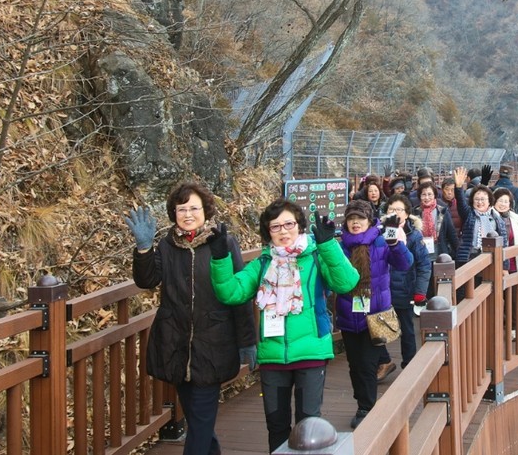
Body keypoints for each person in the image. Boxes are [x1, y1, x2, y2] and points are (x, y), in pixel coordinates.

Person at [208, 199, 359, 452]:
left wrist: (327, 245)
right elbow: (231, 293)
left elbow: (346, 282)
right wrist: (220, 258)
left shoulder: (315, 257)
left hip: (311, 352)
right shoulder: (263, 263)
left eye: (289, 224)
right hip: (273, 357)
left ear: (299, 226)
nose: (283, 231)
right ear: (268, 232)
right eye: (275, 226)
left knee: (308, 424)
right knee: (276, 425)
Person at [127, 181, 256, 455]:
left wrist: (247, 341)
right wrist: (143, 249)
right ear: (173, 213)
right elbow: (147, 279)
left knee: (199, 422)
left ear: (205, 210)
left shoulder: (222, 242)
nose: (187, 214)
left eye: (193, 208)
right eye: (181, 209)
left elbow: (240, 293)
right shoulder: (167, 245)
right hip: (176, 344)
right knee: (199, 420)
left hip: (213, 345)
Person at [335, 199, 412, 429]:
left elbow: (405, 263)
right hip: (349, 314)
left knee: (368, 364)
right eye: (351, 218)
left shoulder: (380, 241)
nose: (355, 222)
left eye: (360, 218)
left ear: (370, 220)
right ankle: (361, 400)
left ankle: (366, 407)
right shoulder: (340, 246)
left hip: (375, 316)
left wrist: (395, 243)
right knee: (354, 364)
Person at [376, 194, 431, 378]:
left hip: (405, 288)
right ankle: (384, 361)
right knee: (376, 326)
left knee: (407, 329)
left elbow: (424, 264)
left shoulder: (414, 235)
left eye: (399, 210)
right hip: (382, 288)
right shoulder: (379, 232)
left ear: (407, 214)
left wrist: (420, 291)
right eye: (391, 209)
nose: (395, 213)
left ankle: (410, 366)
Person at [452, 168, 509, 270]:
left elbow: (504, 242)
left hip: (490, 258)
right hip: (469, 257)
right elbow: (460, 202)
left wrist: (504, 267)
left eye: (483, 199)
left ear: (489, 201)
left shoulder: (496, 218)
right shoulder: (469, 214)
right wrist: (459, 187)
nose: (480, 202)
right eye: (476, 199)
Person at [492, 188, 518, 273]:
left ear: (510, 204)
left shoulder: (513, 219)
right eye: (500, 201)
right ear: (494, 201)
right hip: (497, 264)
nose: (503, 204)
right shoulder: (490, 218)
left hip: (513, 262)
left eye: (506, 202)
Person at [495, 164, 518, 239]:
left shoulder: (491, 191)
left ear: (498, 175)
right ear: (511, 176)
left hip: (494, 230)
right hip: (513, 229)